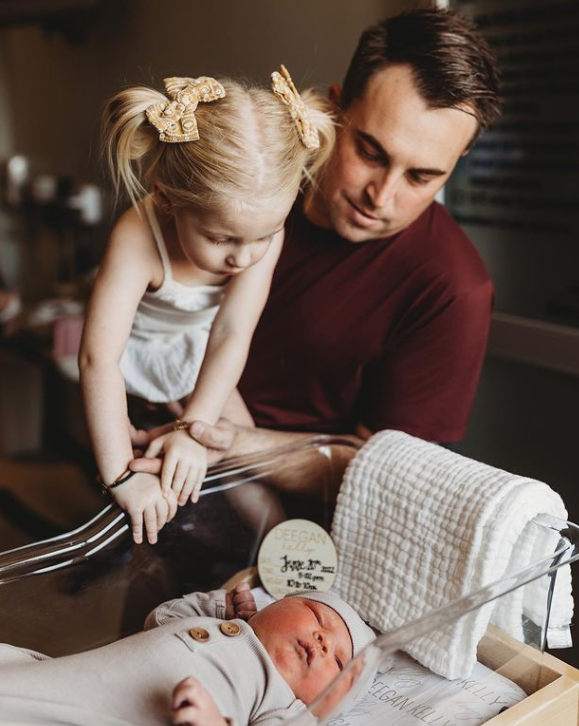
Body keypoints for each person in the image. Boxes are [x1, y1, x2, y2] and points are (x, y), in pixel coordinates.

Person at [160, 6, 500, 458]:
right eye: (371, 152)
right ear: (333, 109)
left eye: (420, 177)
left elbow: (387, 473)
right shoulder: (256, 173)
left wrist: (234, 444)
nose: (381, 196)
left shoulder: (452, 289)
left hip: (279, 512)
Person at [79, 69, 334, 545]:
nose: (243, 257)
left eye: (264, 236)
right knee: (141, 480)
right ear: (168, 200)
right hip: (130, 355)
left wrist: (193, 432)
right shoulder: (137, 236)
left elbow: (232, 332)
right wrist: (121, 478)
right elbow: (98, 359)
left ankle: (274, 550)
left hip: (200, 347)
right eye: (221, 238)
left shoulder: (259, 237)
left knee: (245, 457)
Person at [0, 583, 376, 725]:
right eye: (317, 617)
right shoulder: (227, 626)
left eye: (340, 664)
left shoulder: (287, 709)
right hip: (69, 678)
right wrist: (221, 609)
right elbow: (162, 618)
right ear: (274, 606)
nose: (323, 642)